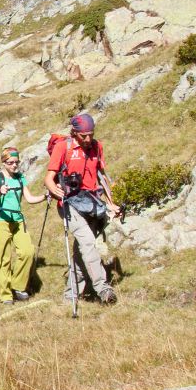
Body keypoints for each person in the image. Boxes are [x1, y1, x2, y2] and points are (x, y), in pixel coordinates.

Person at [47, 113, 119, 306]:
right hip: (70, 204)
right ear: (74, 132)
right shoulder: (63, 147)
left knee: (82, 252)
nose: (88, 139)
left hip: (92, 203)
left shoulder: (97, 146)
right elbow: (49, 178)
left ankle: (71, 294)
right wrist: (55, 191)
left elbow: (102, 177)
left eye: (90, 134)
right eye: (83, 136)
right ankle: (103, 288)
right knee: (88, 243)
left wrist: (110, 203)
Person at [0, 146, 48, 302]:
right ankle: (6, 295)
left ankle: (17, 286)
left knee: (28, 252)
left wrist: (45, 196)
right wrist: (0, 191)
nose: (14, 165)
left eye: (16, 162)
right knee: (3, 258)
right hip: (0, 219)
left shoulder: (20, 178)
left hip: (18, 219)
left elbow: (29, 198)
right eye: (10, 162)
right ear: (4, 162)